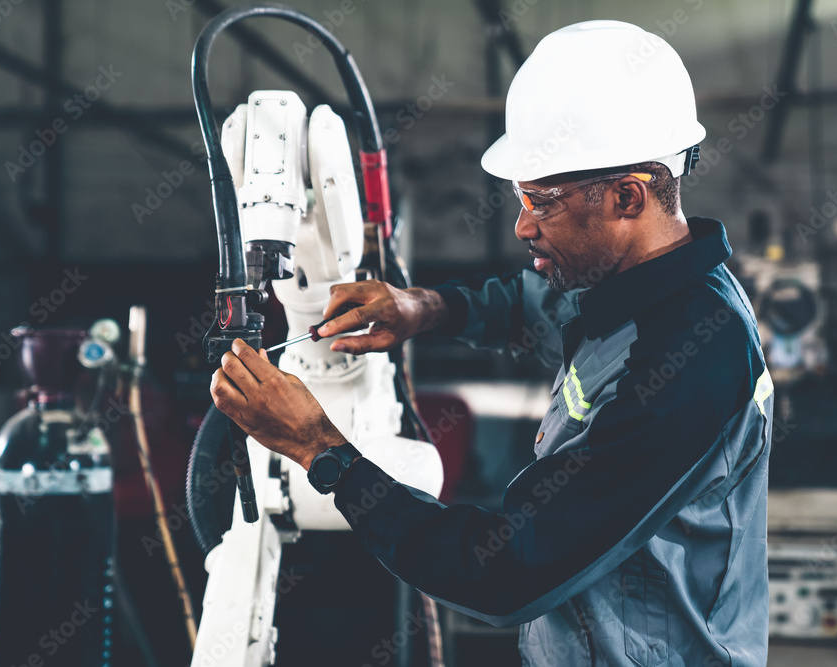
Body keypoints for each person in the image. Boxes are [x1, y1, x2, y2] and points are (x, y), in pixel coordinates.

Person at [211, 20, 772, 666]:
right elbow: (536, 305)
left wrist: (322, 448)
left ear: (628, 196)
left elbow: (504, 570)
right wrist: (424, 308)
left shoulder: (692, 357)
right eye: (519, 196)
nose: (522, 223)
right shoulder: (624, 284)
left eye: (542, 202)